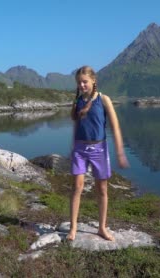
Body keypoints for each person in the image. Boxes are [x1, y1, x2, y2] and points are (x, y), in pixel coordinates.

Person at [67, 65, 129, 242]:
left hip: (99, 149)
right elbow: (76, 126)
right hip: (80, 149)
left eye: (84, 82)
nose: (82, 85)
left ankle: (102, 227)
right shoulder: (77, 102)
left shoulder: (103, 100)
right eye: (79, 82)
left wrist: (120, 152)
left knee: (102, 188)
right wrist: (73, 147)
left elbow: (115, 127)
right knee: (77, 186)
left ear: (93, 80)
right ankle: (73, 228)